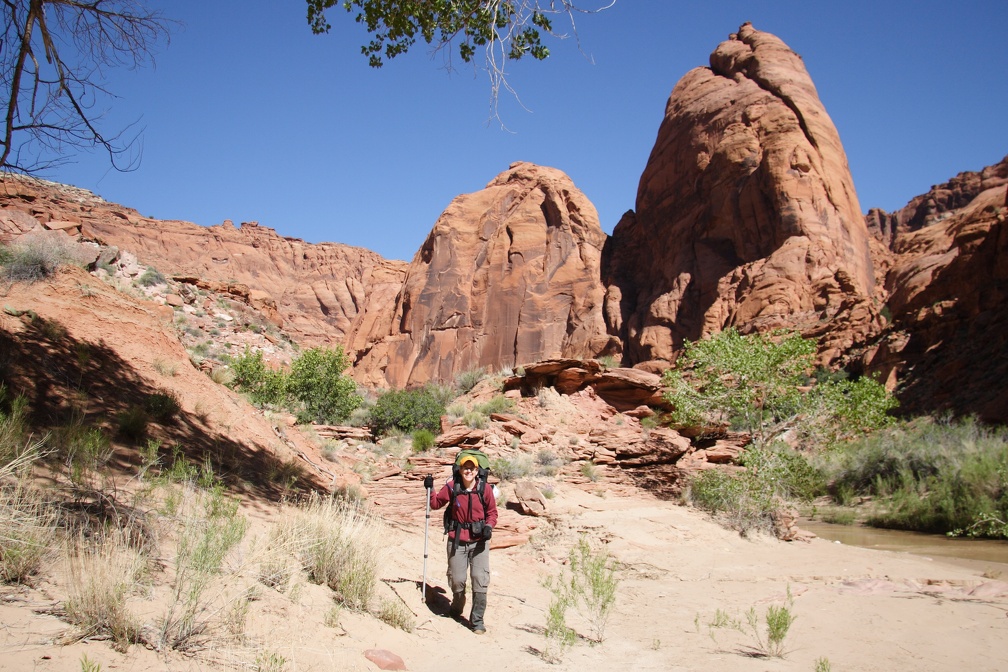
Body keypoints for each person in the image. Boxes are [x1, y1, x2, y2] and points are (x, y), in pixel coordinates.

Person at [424, 454, 498, 634]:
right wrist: (430, 489)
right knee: (457, 580)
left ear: (477, 471)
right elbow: (435, 504)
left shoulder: (485, 489)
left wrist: (489, 526)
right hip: (457, 540)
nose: (468, 471)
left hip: (480, 541)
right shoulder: (452, 487)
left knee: (480, 579)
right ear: (460, 469)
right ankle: (457, 606)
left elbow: (492, 513)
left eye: (472, 468)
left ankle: (477, 621)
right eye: (466, 468)